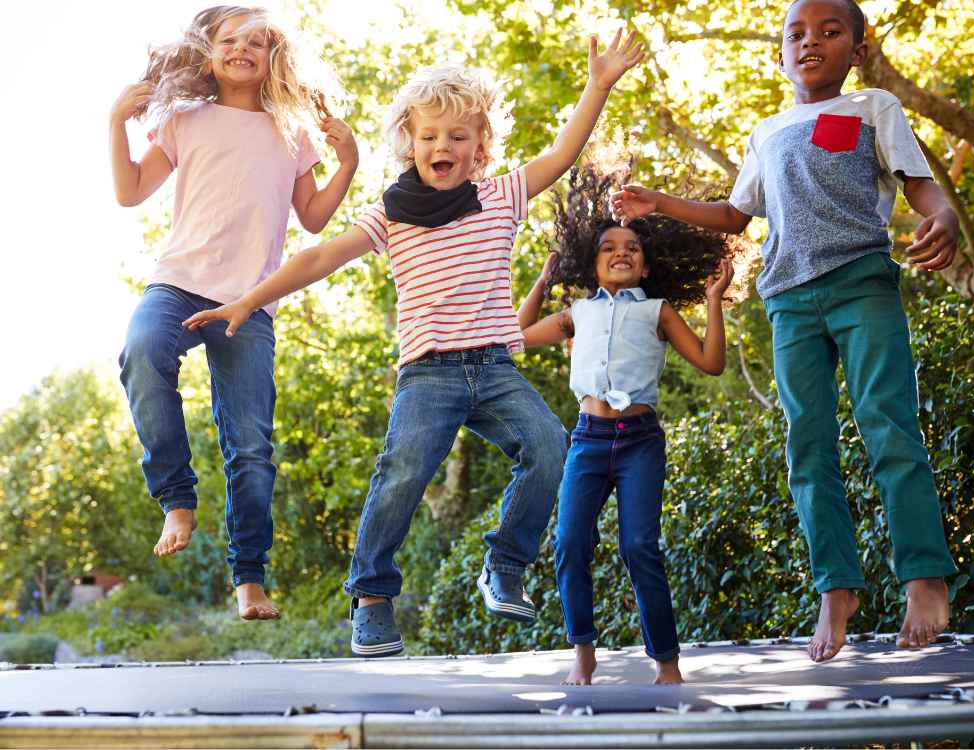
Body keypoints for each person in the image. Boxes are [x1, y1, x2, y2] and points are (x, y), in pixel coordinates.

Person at [182, 31, 645, 656]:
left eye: (457, 137)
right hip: (429, 373)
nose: (441, 147)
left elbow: (562, 153)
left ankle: (504, 566)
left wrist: (598, 85)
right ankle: (372, 597)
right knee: (400, 474)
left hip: (494, 366)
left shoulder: (500, 195)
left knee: (547, 446)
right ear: (410, 142)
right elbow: (320, 254)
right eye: (428, 136)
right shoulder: (391, 213)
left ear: (480, 146)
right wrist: (247, 299)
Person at [612, 0, 959, 662]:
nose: (810, 43)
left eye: (830, 33)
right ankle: (836, 589)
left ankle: (923, 576)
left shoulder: (873, 108)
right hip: (789, 302)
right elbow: (734, 214)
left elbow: (922, 187)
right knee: (808, 446)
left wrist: (942, 217)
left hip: (861, 282)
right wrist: (658, 202)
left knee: (888, 424)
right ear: (780, 50)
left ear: (857, 50)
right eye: (795, 33)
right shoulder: (766, 131)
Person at [111, 5, 359, 620]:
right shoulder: (185, 119)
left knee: (250, 446)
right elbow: (129, 191)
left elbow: (315, 218)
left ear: (274, 57)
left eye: (256, 42)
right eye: (230, 40)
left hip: (249, 301)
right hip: (178, 283)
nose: (242, 49)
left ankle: (250, 580)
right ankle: (177, 498)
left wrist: (348, 161)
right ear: (209, 51)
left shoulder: (292, 132)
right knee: (141, 351)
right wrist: (116, 119)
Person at [518, 167, 734, 684]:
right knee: (570, 542)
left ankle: (667, 663)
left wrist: (711, 302)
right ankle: (583, 651)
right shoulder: (577, 313)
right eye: (609, 246)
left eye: (633, 247)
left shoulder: (659, 311)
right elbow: (517, 335)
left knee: (640, 547)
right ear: (590, 263)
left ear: (646, 264)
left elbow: (711, 363)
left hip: (639, 443)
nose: (622, 252)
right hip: (588, 442)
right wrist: (543, 281)